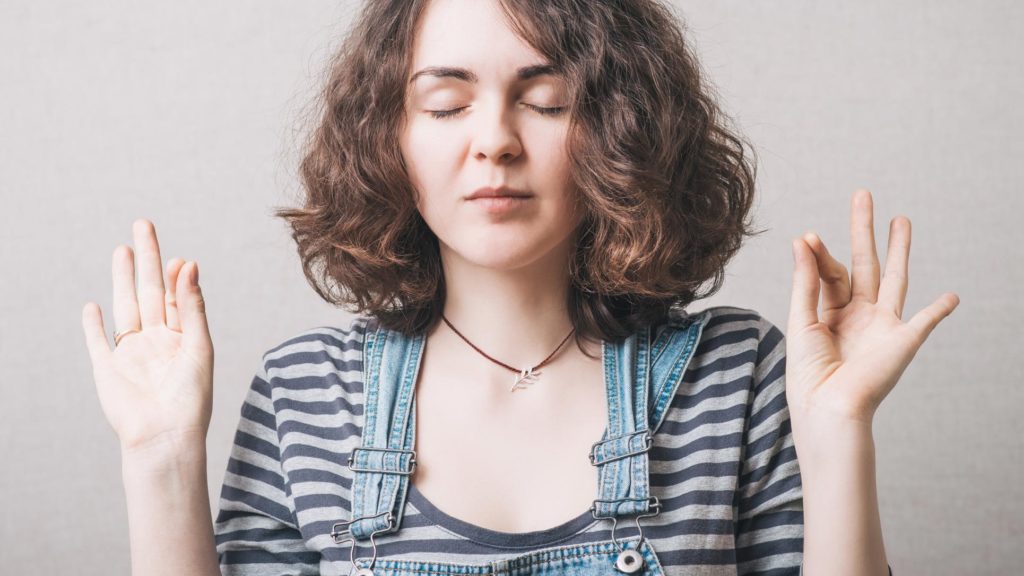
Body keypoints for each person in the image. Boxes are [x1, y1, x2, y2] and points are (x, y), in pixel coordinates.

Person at [81, 0, 959, 575]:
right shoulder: (303, 394)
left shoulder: (737, 376)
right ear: (388, 138)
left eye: (546, 100)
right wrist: (160, 460)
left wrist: (839, 433)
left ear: (620, 129)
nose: (495, 140)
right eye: (446, 104)